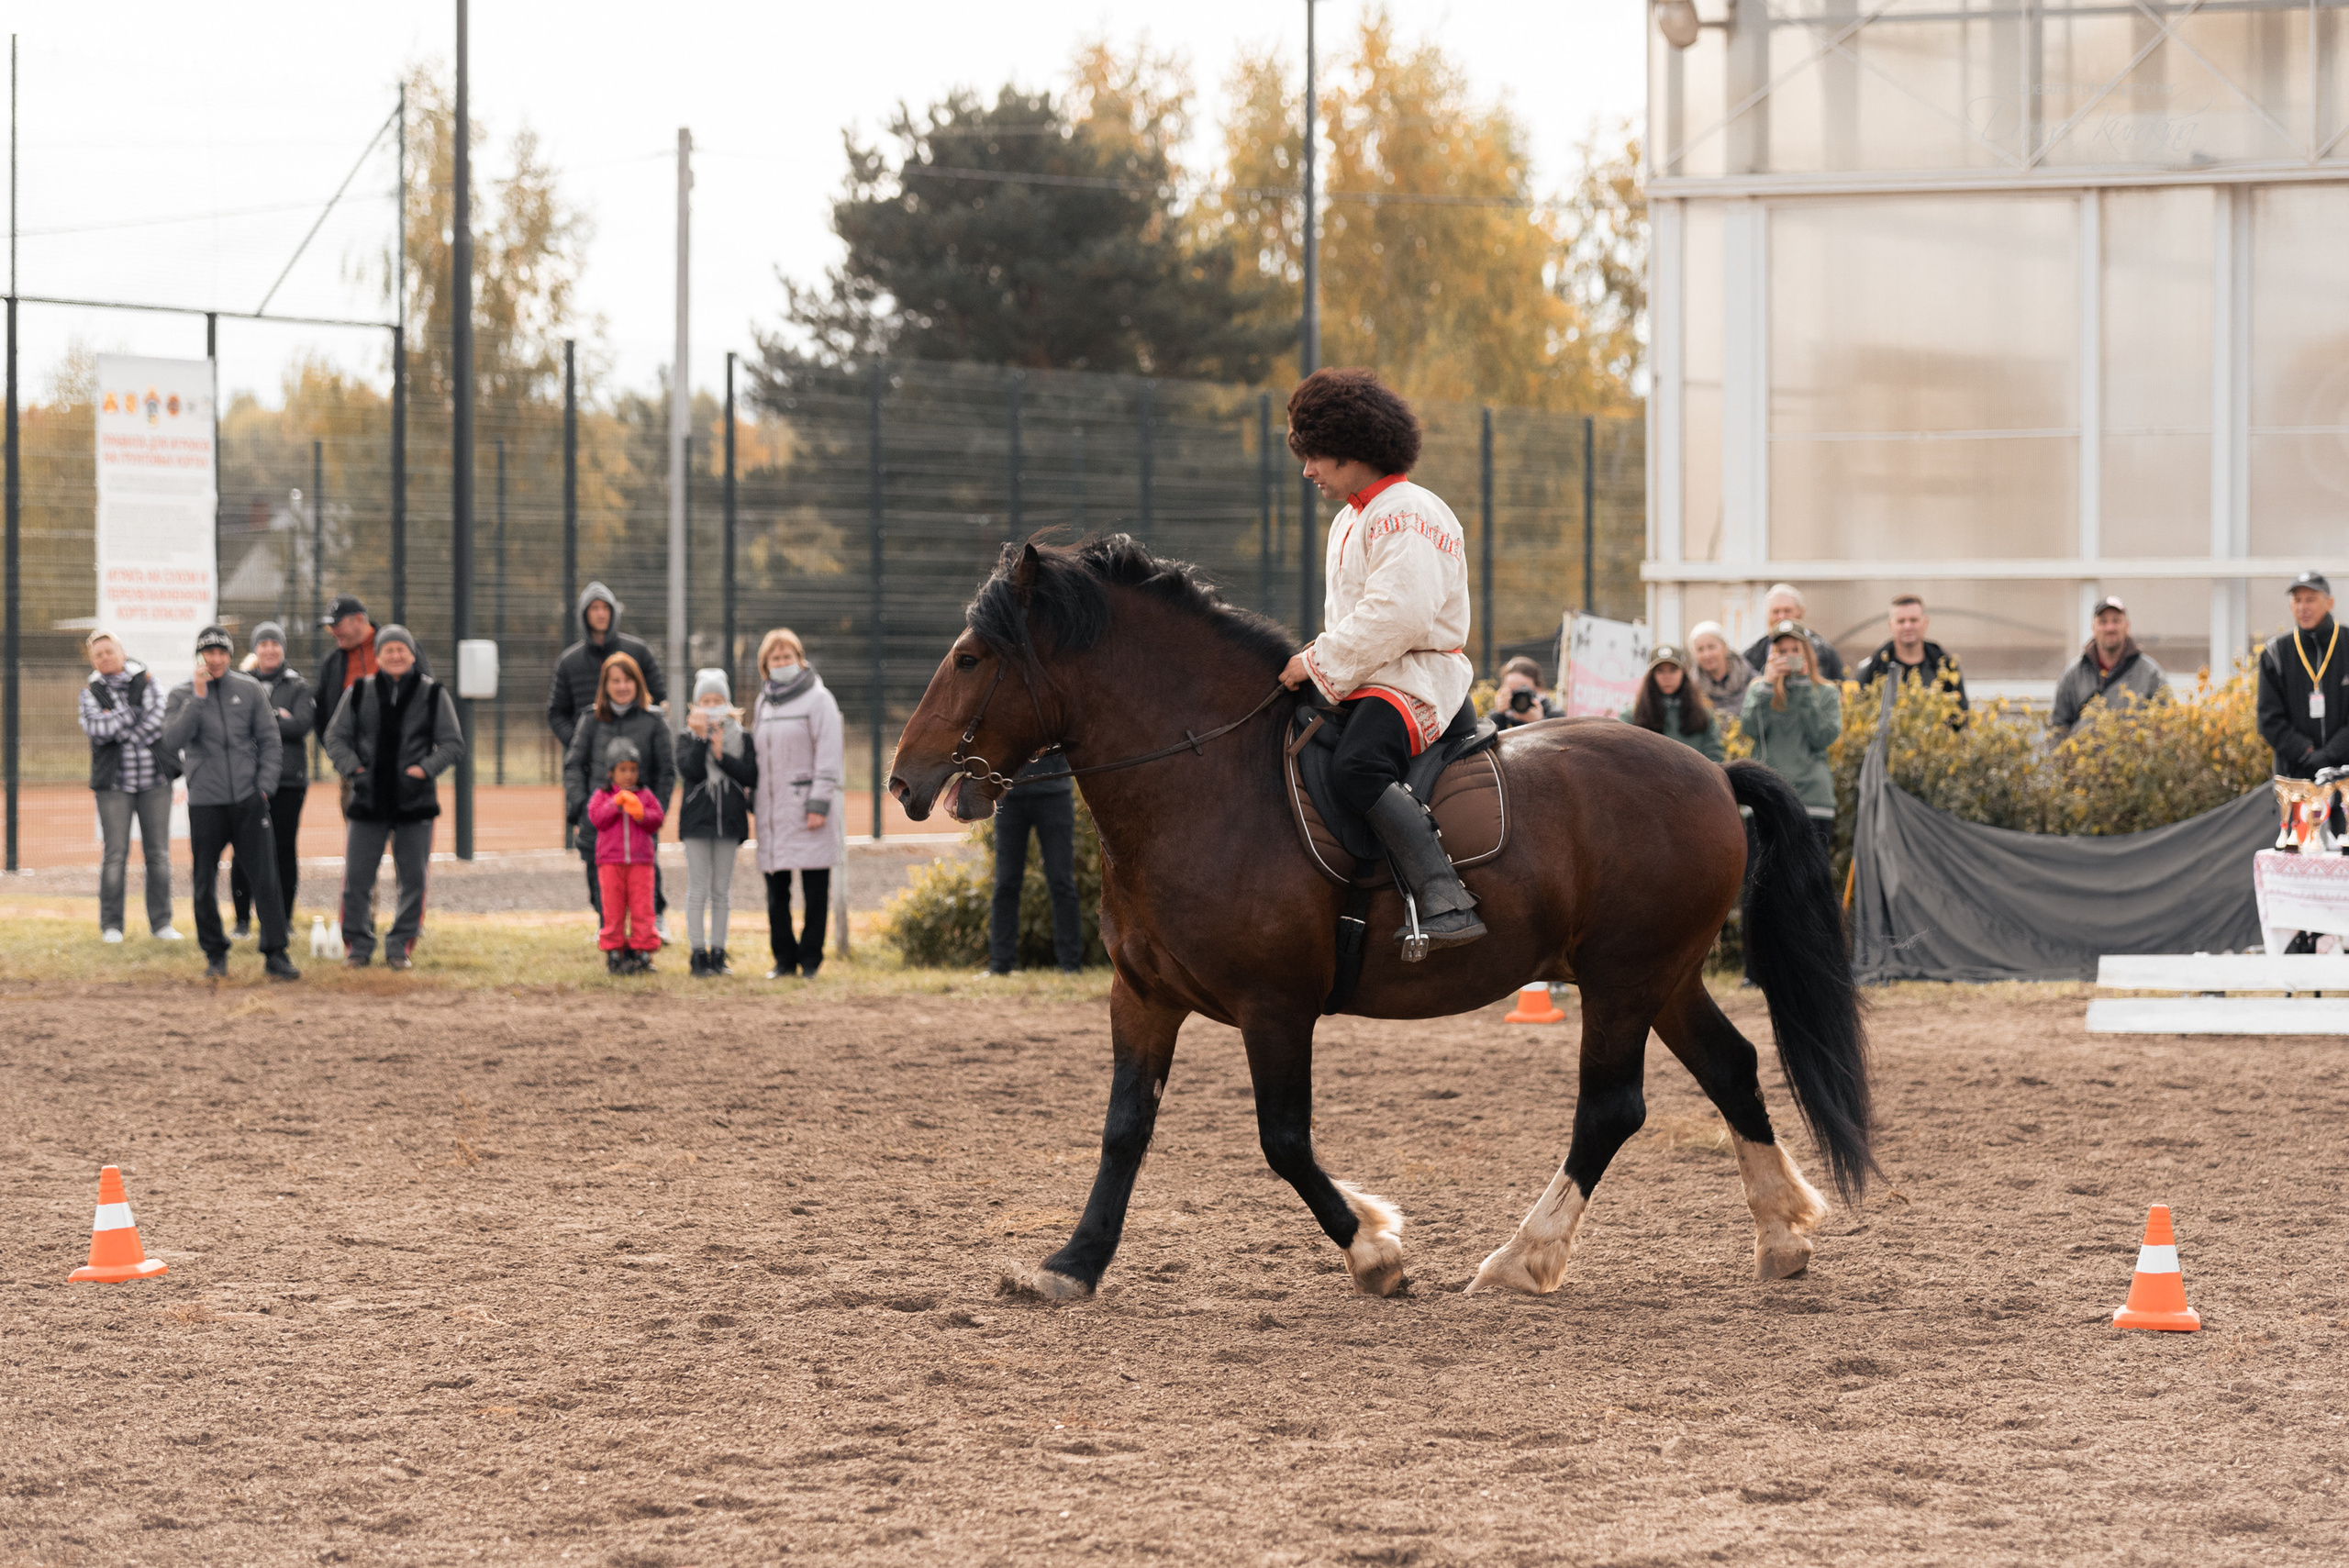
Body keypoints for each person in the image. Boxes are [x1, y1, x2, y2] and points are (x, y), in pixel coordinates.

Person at [1276, 367, 1482, 954]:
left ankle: (1446, 898)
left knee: (1357, 767)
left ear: (1354, 448)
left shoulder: (1408, 512)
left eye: (1316, 455)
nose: (1308, 470)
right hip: (1372, 676)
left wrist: (1316, 662)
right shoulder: (1354, 516)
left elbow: (1399, 616)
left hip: (1415, 679)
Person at [322, 625, 464, 970]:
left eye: (402, 649)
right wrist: (354, 770)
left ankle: (400, 945)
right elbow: (335, 737)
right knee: (357, 878)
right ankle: (357, 946)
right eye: (389, 650)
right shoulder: (358, 691)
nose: (396, 655)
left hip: (415, 803)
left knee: (413, 879)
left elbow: (452, 743)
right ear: (379, 656)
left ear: (412, 655)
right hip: (368, 801)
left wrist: (424, 770)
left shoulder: (433, 694)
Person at [161, 625, 298, 982]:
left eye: (221, 652)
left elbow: (269, 740)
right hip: (206, 802)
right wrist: (198, 697)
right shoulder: (181, 694)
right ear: (199, 656)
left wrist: (264, 787)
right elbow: (172, 739)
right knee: (204, 880)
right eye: (209, 652)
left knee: (265, 878)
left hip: (249, 800)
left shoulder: (249, 689)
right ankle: (215, 953)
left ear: (230, 655)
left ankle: (276, 954)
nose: (215, 659)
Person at [548, 582, 671, 927]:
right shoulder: (570, 662)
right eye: (594, 609)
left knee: (643, 857)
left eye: (605, 608)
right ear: (584, 615)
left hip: (639, 789)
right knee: (597, 859)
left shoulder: (639, 651)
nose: (600, 614)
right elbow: (556, 713)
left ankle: (651, 922)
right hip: (598, 787)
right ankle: (609, 927)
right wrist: (583, 743)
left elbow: (660, 702)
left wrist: (656, 805)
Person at [748, 628, 843, 980]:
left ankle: (811, 960)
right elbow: (758, 756)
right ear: (765, 665)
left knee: (815, 891)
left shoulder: (819, 700)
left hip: (808, 810)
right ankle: (784, 960)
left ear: (800, 660)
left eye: (788, 656)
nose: (782, 662)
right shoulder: (762, 704)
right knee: (777, 892)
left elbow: (829, 755)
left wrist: (818, 802)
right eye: (775, 658)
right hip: (773, 814)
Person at [77, 629, 179, 944]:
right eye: (98, 654)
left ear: (121, 653)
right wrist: (131, 714)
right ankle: (112, 926)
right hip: (114, 788)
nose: (105, 657)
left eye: (109, 651)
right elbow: (96, 728)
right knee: (115, 855)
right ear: (93, 660)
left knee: (158, 854)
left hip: (155, 783)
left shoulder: (147, 680)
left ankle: (162, 924)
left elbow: (156, 721)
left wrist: (118, 724)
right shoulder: (89, 691)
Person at [564, 652, 676, 929]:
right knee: (601, 880)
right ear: (606, 685)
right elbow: (574, 765)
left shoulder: (654, 721)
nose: (622, 686)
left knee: (643, 876)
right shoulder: (591, 720)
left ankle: (649, 928)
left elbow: (666, 771)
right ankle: (609, 931)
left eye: (627, 680)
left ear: (638, 683)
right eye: (615, 681)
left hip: (639, 820)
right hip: (601, 819)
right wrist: (582, 807)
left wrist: (654, 810)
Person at [228, 622, 315, 939]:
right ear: (255, 649)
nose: (269, 650)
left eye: (275, 644)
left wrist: (261, 717)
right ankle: (242, 921)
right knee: (243, 849)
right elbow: (235, 725)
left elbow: (301, 725)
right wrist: (278, 715)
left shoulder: (299, 685)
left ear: (282, 648)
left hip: (289, 781)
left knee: (283, 849)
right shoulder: (240, 683)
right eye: (263, 644)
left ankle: (283, 920)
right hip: (247, 781)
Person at [678, 668, 757, 978]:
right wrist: (702, 740)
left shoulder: (743, 737)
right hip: (696, 823)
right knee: (698, 888)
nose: (712, 706)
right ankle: (698, 954)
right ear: (696, 704)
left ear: (727, 703)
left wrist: (722, 755)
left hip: (730, 822)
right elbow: (691, 771)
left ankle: (719, 953)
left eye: (717, 700)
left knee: (721, 891)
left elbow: (750, 775)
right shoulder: (686, 737)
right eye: (706, 700)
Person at [1739, 621, 1842, 852]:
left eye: (1795, 650)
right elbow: (1750, 729)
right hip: (1766, 795)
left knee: (1810, 873)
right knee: (1762, 871)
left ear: (1807, 653)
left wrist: (1804, 687)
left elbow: (1822, 737)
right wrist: (1767, 685)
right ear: (1772, 655)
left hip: (1812, 798)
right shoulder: (1759, 689)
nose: (1789, 656)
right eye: (1782, 651)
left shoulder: (1826, 692)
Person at [984, 757, 1084, 976]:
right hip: (1009, 797)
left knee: (1062, 881)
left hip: (1054, 794)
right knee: (1005, 883)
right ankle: (999, 966)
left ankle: (1071, 965)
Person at [2256, 571, 2349, 784]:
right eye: (2297, 600)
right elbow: (2268, 718)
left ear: (2330, 602)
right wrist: (2305, 751)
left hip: (2345, 777)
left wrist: (2330, 753)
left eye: (2310, 599)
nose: (2302, 607)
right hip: (2295, 778)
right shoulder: (2275, 653)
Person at [587, 739, 666, 973]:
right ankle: (614, 952)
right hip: (610, 863)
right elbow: (596, 818)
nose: (628, 775)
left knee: (643, 909)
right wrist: (615, 803)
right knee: (612, 910)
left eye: (633, 769)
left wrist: (641, 814)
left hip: (641, 863)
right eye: (622, 769)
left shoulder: (645, 795)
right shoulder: (602, 795)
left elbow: (657, 819)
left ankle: (643, 952)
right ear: (611, 772)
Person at [2051, 595, 2166, 737]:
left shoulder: (2151, 674)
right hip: (2083, 751)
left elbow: (2165, 727)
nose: (2110, 628)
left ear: (2127, 626)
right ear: (2093, 628)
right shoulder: (2073, 674)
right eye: (2103, 622)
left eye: (2116, 621)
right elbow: (2058, 728)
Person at [1854, 595, 1969, 713]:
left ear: (1925, 623)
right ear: (1891, 625)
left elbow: (1962, 714)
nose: (1907, 626)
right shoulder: (1874, 668)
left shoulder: (1945, 667)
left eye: (1913, 620)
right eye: (1901, 621)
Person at [1621, 645, 1724, 762]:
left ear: (1683, 673)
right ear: (1652, 675)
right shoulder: (1631, 716)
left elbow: (1715, 758)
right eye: (1660, 671)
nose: (1667, 677)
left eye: (1673, 670)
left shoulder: (1704, 715)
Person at [1742, 584, 1844, 681]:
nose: (1781, 616)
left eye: (1787, 611)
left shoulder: (1825, 652)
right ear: (1767, 615)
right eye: (1776, 611)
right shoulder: (1751, 656)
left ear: (1801, 612)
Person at [1687, 620, 1754, 712]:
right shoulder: (1691, 689)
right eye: (1700, 649)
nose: (1707, 655)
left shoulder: (1752, 680)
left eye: (1711, 647)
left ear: (1725, 647)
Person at [1487, 656, 1562, 730]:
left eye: (1522, 690)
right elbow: (1491, 737)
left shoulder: (1554, 716)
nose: (1517, 697)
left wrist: (1539, 722)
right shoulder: (1503, 715)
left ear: (1538, 688)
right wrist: (1498, 715)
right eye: (1512, 690)